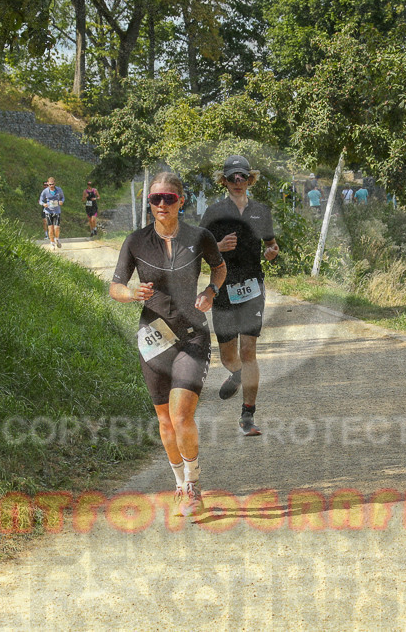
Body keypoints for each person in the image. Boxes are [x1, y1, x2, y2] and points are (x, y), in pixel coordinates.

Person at [109, 171, 226, 517]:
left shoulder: (200, 236)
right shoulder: (135, 241)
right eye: (155, 199)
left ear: (181, 201)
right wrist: (131, 293)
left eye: (168, 198)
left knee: (180, 414)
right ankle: (178, 484)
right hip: (154, 337)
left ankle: (193, 486)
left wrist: (210, 291)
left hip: (193, 335)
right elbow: (116, 287)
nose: (161, 204)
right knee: (164, 421)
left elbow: (219, 269)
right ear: (149, 203)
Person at [200, 155, 279, 437]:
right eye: (232, 177)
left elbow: (271, 245)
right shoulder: (213, 212)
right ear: (224, 180)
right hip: (222, 286)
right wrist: (218, 247)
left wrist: (272, 253)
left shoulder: (260, 212)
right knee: (228, 355)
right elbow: (199, 250)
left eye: (242, 177)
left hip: (252, 287)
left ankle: (248, 415)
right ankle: (235, 374)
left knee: (249, 352)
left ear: (250, 179)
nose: (237, 182)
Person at [40, 179, 65, 248]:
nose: (51, 186)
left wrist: (61, 201)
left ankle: (57, 239)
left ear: (55, 183)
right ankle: (52, 243)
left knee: (56, 228)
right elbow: (40, 200)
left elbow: (63, 197)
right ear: (48, 184)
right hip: (48, 211)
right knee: (50, 229)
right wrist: (43, 204)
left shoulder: (59, 190)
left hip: (57, 211)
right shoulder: (45, 191)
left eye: (52, 184)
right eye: (50, 184)